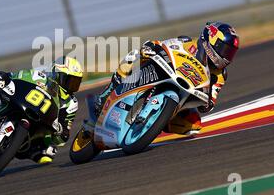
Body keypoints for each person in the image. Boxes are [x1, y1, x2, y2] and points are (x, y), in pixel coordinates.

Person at [94, 21, 240, 135]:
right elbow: (161, 44)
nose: (227, 56)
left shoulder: (220, 75)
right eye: (224, 50)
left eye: (230, 53)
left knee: (193, 125)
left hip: (183, 97)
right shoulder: (186, 42)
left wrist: (208, 102)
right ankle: (108, 91)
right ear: (211, 40)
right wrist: (150, 48)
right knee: (134, 55)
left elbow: (208, 104)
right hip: (161, 73)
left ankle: (154, 123)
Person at [0, 56, 83, 164]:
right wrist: (1, 78)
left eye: (75, 83)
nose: (71, 87)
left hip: (38, 129)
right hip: (18, 106)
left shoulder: (71, 103)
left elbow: (64, 136)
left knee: (48, 153)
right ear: (56, 74)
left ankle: (27, 150)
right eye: (69, 81)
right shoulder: (38, 76)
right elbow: (11, 76)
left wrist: (60, 130)